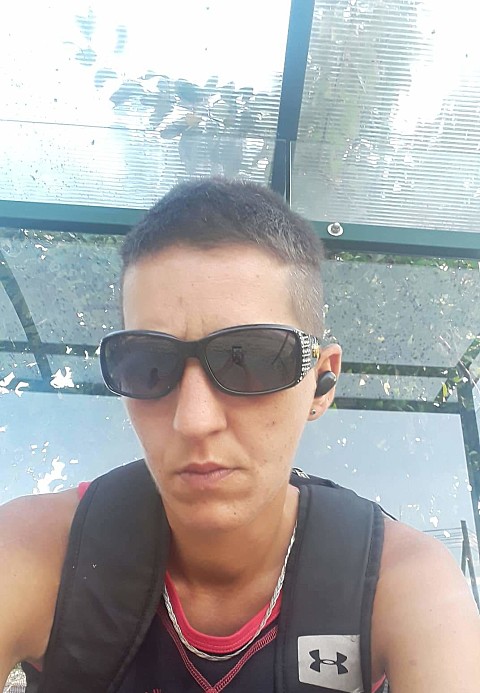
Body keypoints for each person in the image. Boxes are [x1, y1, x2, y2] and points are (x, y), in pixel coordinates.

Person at [0, 178, 479, 693]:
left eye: (251, 359)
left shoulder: (396, 581)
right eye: (147, 365)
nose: (193, 420)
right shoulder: (40, 552)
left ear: (321, 382)